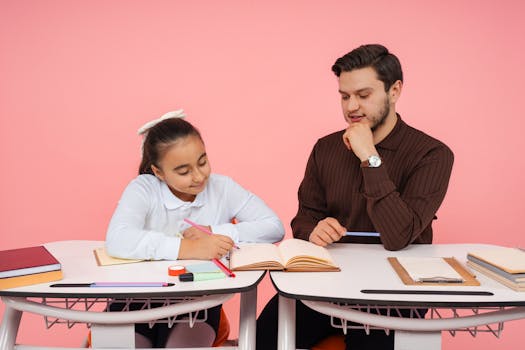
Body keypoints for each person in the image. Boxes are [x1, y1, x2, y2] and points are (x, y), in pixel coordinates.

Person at [256, 44, 454, 349]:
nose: (351, 107)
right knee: (262, 336)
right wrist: (314, 230)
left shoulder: (432, 154)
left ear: (395, 90)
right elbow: (303, 218)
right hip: (327, 285)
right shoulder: (326, 148)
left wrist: (369, 157)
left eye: (363, 95)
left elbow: (399, 235)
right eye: (344, 96)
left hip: (393, 292)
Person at [106, 110, 284, 348]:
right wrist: (190, 248)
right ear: (158, 172)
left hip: (198, 304)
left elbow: (274, 227)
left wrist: (214, 232)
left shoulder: (222, 188)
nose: (199, 176)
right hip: (136, 301)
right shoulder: (144, 189)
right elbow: (118, 239)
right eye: (183, 171)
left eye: (202, 162)